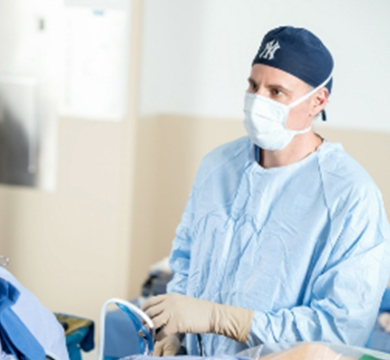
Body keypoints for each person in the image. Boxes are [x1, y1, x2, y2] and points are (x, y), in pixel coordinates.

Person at [142, 26, 390, 357]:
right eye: (253, 85)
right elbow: (186, 260)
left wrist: (224, 319)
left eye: (276, 92)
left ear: (317, 101)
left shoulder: (350, 196)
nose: (258, 100)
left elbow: (339, 331)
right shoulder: (217, 167)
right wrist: (172, 332)